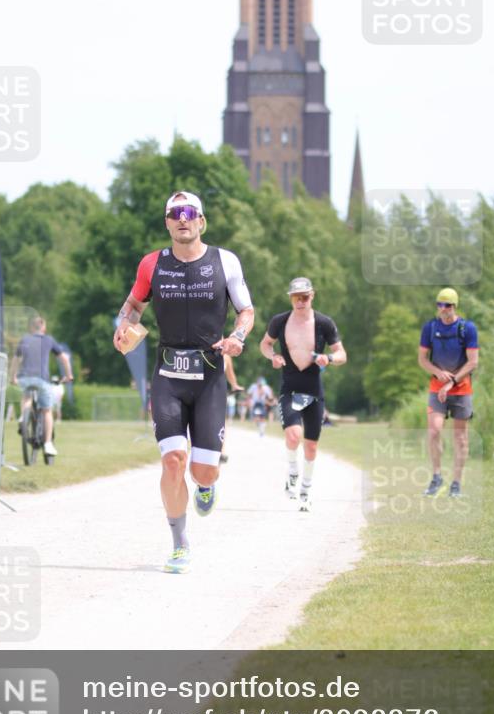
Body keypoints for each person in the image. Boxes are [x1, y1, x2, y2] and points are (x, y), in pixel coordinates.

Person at [113, 190, 254, 573]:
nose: (182, 218)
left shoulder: (225, 261)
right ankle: (179, 545)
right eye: (175, 213)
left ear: (201, 221)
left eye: (190, 212)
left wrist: (238, 338)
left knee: (201, 470)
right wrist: (123, 323)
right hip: (168, 375)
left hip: (209, 378)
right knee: (173, 461)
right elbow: (133, 305)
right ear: (167, 223)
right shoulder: (151, 265)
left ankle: (207, 484)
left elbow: (246, 310)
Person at [260, 277, 346, 511]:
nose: (300, 301)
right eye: (296, 297)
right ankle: (292, 473)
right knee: (293, 436)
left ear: (312, 296)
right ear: (290, 298)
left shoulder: (324, 323)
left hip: (314, 391)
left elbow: (341, 354)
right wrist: (273, 357)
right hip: (289, 387)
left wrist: (328, 358)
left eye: (305, 297)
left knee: (310, 446)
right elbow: (265, 344)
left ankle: (306, 491)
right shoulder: (279, 321)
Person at [418, 288, 479, 497]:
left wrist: (451, 381)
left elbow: (473, 362)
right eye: (440, 305)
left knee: (460, 438)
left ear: (455, 306)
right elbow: (423, 359)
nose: (443, 310)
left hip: (461, 389)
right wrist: (438, 373)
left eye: (447, 305)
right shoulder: (430, 327)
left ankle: (456, 483)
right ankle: (436, 477)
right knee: (434, 431)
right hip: (437, 387)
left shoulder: (467, 328)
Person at [9, 316, 73, 456]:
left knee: (26, 398)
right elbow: (64, 358)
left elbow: (16, 360)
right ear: (43, 327)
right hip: (42, 379)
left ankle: (23, 419)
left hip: (24, 377)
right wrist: (68, 375)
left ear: (31, 328)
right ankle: (48, 444)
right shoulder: (48, 340)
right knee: (46, 410)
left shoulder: (25, 339)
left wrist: (12, 377)